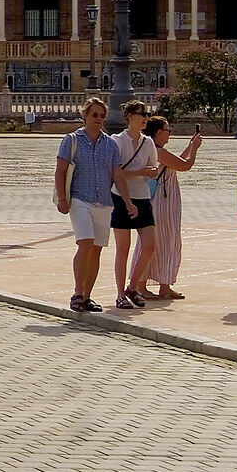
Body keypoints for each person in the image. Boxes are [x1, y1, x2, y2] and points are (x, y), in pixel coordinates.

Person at [54, 95, 125, 314]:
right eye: (94, 115)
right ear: (85, 115)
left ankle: (86, 296)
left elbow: (118, 175)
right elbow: (60, 171)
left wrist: (128, 201)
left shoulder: (110, 144)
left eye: (102, 116)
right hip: (80, 199)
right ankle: (77, 293)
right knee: (85, 244)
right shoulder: (72, 140)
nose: (99, 119)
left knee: (95, 251)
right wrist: (63, 199)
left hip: (104, 202)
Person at [109, 101, 158, 309]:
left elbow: (153, 166)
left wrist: (151, 172)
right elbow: (116, 173)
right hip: (120, 197)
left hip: (142, 196)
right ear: (129, 116)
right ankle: (120, 293)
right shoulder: (118, 141)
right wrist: (141, 172)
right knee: (123, 248)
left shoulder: (148, 142)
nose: (145, 117)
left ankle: (133, 287)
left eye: (147, 113)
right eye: (141, 114)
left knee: (150, 246)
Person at [144, 114, 199, 302]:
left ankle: (164, 285)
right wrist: (195, 150)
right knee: (164, 242)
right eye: (168, 130)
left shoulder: (153, 149)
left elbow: (174, 163)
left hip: (162, 201)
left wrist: (190, 147)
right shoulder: (157, 151)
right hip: (162, 203)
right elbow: (185, 166)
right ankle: (144, 285)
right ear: (159, 132)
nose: (170, 133)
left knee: (164, 243)